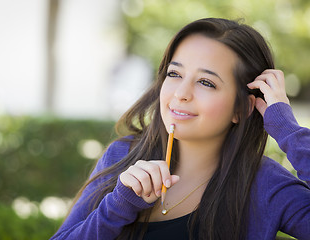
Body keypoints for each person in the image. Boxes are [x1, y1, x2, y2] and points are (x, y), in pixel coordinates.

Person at [50, 18, 310, 240]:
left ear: (241, 109)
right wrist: (118, 206)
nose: (181, 94)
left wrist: (287, 130)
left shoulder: (266, 185)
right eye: (174, 74)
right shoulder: (122, 156)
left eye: (206, 82)